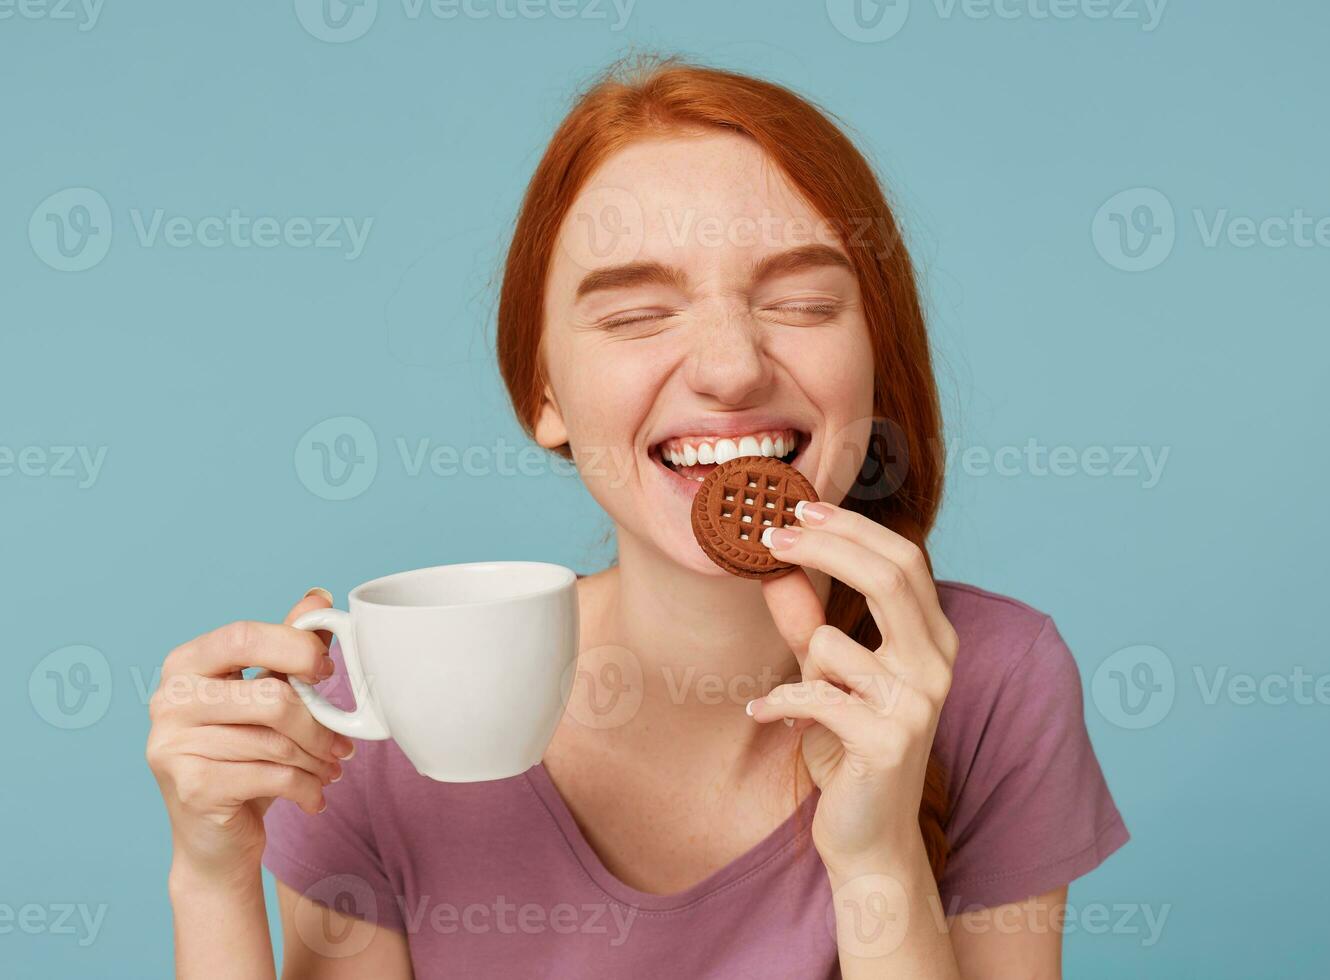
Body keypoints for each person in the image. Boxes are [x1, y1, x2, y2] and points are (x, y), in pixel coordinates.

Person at [147, 57, 1128, 978]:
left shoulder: (994, 681)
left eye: (799, 300)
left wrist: (877, 859)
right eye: (635, 315)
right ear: (544, 392)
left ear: (875, 363)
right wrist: (210, 876)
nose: (731, 365)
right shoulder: (377, 703)